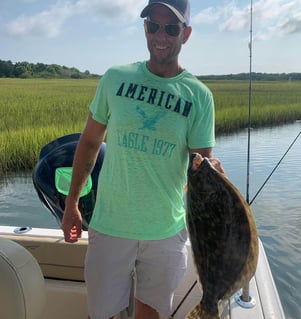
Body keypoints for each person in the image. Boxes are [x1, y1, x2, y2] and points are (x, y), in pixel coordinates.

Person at [61, 0, 225, 318]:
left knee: (150, 315)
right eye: (153, 25)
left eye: (171, 28)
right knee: (102, 314)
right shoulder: (115, 79)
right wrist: (71, 205)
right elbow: (91, 142)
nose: (160, 35)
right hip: (110, 226)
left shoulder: (199, 95)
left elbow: (200, 169)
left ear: (186, 34)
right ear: (145, 28)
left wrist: (216, 176)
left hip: (166, 230)